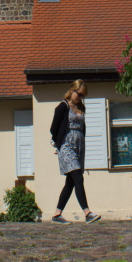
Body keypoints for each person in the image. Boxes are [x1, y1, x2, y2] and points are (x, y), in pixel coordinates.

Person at [49, 79, 100, 223]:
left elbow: (83, 127)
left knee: (70, 182)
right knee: (78, 176)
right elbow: (53, 128)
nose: (80, 98)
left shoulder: (81, 108)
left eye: (83, 96)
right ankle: (87, 212)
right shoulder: (62, 107)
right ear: (72, 90)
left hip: (79, 147)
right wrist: (58, 145)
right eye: (79, 94)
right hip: (66, 145)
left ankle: (57, 214)